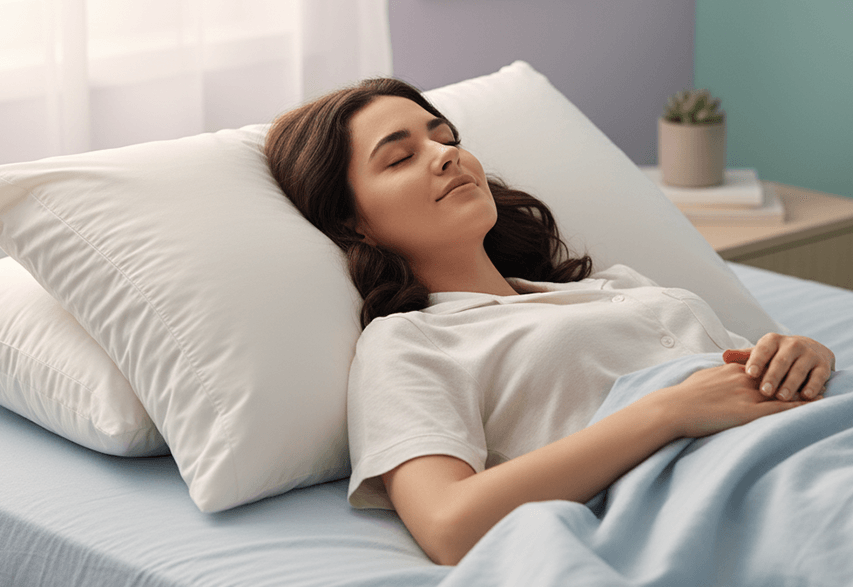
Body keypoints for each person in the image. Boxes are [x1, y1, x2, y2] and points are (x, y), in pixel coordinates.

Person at [264, 78, 836, 566]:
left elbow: (745, 382)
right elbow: (448, 525)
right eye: (400, 156)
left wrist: (807, 357)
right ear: (353, 222)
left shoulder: (615, 288)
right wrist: (668, 411)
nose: (445, 155)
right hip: (767, 501)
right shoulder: (408, 342)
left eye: (445, 138)